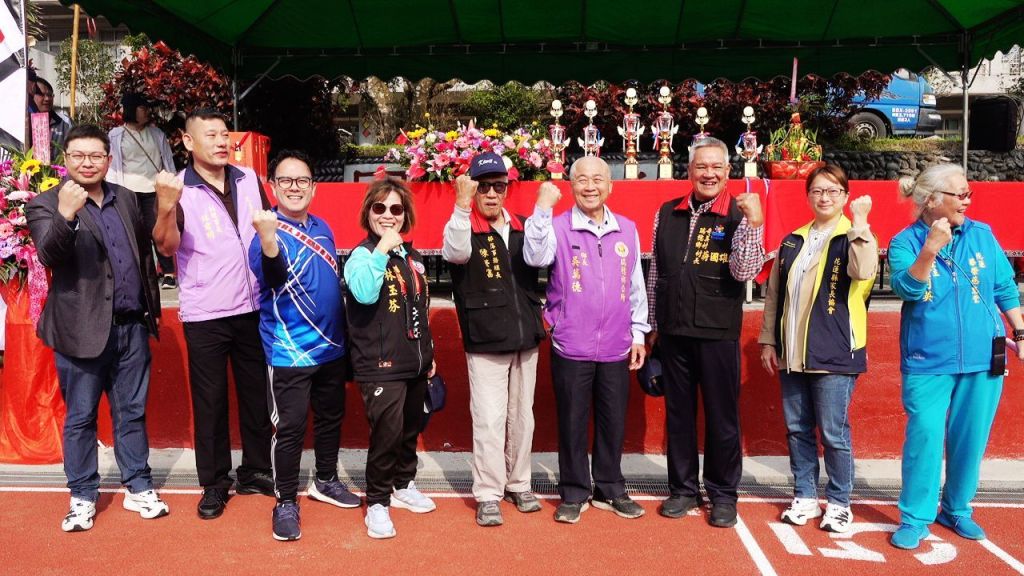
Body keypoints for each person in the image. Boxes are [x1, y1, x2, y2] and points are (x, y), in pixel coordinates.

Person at [26, 124, 168, 531]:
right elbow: (49, 255)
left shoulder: (126, 197)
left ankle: (138, 485)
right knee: (81, 417)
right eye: (78, 156)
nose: (87, 163)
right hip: (80, 330)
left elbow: (145, 254)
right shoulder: (45, 203)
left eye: (95, 156)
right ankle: (83, 495)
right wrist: (66, 214)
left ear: (108, 159)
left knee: (132, 412)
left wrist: (150, 309)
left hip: (131, 327)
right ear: (65, 159)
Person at [887, 163, 1024, 550]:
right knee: (925, 437)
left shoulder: (982, 235)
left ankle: (957, 508)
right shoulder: (904, 242)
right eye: (959, 194)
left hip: (983, 358)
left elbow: (1003, 287)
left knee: (970, 439)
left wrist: (1020, 330)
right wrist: (931, 248)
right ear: (931, 200)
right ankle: (915, 517)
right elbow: (908, 289)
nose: (967, 200)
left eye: (968, 193)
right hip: (927, 359)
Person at [152, 108, 274, 520]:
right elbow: (166, 247)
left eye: (225, 134)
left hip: (253, 305)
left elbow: (268, 226)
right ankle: (215, 483)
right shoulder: (178, 187)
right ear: (188, 142)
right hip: (206, 311)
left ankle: (257, 470)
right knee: (211, 402)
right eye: (211, 135)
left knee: (256, 395)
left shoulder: (249, 178)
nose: (222, 142)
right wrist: (165, 207)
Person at [646, 137, 765, 528]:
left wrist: (753, 224)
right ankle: (682, 490)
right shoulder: (668, 212)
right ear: (689, 170)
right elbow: (656, 272)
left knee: (722, 418)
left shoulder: (739, 213)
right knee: (678, 416)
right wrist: (652, 324)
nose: (708, 174)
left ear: (728, 171)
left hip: (717, 333)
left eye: (716, 167)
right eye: (701, 167)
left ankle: (723, 494)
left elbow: (744, 271)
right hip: (674, 331)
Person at [523, 156, 649, 524]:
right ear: (571, 186)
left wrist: (638, 333)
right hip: (571, 343)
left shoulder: (627, 229)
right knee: (572, 421)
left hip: (616, 343)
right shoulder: (558, 227)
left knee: (613, 421)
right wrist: (542, 209)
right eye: (581, 180)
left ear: (610, 186)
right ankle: (575, 490)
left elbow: (636, 285)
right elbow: (534, 256)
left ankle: (609, 488)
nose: (590, 187)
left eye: (597, 179)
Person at [247, 150, 360, 541]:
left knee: (331, 418)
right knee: (290, 428)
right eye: (286, 180)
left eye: (302, 181)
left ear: (313, 187)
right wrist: (268, 238)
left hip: (332, 349)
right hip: (289, 351)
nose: (294, 187)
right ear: (273, 187)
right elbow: (273, 277)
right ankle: (284, 501)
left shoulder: (322, 227)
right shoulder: (265, 233)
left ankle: (325, 480)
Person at [758, 164, 877, 533]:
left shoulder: (855, 236)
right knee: (797, 429)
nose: (824, 197)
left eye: (833, 191)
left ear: (845, 196)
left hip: (835, 352)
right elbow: (775, 295)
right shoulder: (793, 240)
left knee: (833, 433)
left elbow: (863, 271)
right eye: (817, 191)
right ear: (808, 196)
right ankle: (805, 496)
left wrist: (861, 223)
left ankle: (839, 503)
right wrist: (768, 340)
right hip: (793, 353)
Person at [442, 152, 546, 527]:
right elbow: (455, 253)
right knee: (489, 419)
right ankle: (488, 492)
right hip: (486, 337)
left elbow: (541, 257)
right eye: (483, 186)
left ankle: (519, 483)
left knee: (522, 418)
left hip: (525, 334)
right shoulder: (462, 226)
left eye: (498, 186)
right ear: (472, 189)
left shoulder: (522, 227)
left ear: (506, 189)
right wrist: (460, 204)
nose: (491, 194)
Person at [344, 178, 437, 539]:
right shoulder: (362, 255)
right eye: (379, 207)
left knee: (410, 429)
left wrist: (428, 353)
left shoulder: (412, 258)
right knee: (387, 433)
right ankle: (378, 502)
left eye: (395, 208)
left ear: (405, 214)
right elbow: (365, 294)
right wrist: (382, 247)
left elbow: (420, 308)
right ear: (368, 213)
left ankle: (403, 483)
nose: (387, 215)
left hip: (414, 361)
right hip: (379, 364)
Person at [108, 93, 177, 288]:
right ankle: (143, 272)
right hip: (127, 192)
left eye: (148, 108)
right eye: (142, 108)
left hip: (153, 190)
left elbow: (167, 161)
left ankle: (168, 273)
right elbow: (113, 167)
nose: (147, 111)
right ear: (131, 110)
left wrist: (171, 183)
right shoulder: (115, 135)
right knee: (135, 233)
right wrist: (113, 193)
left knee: (158, 231)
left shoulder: (157, 134)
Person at [30, 77, 73, 154]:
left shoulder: (64, 121)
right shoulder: (23, 122)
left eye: (50, 95)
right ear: (31, 96)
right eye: (41, 94)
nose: (47, 99)